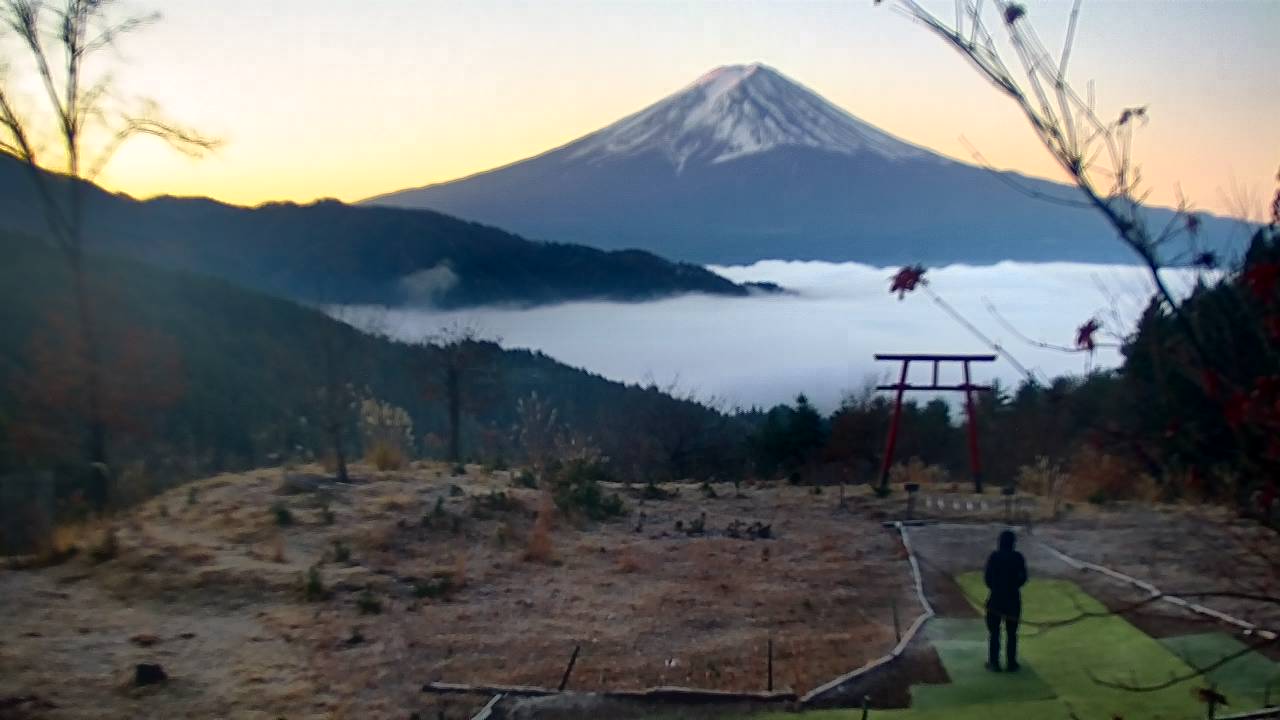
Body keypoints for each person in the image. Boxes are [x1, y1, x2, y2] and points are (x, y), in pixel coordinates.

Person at [984, 529, 1028, 671]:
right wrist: (1014, 586)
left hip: (996, 598)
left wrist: (996, 587)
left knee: (994, 632)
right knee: (1012, 633)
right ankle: (1011, 663)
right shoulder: (1018, 557)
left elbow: (987, 579)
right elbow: (1024, 577)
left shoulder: (994, 557)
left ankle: (994, 663)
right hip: (1013, 599)